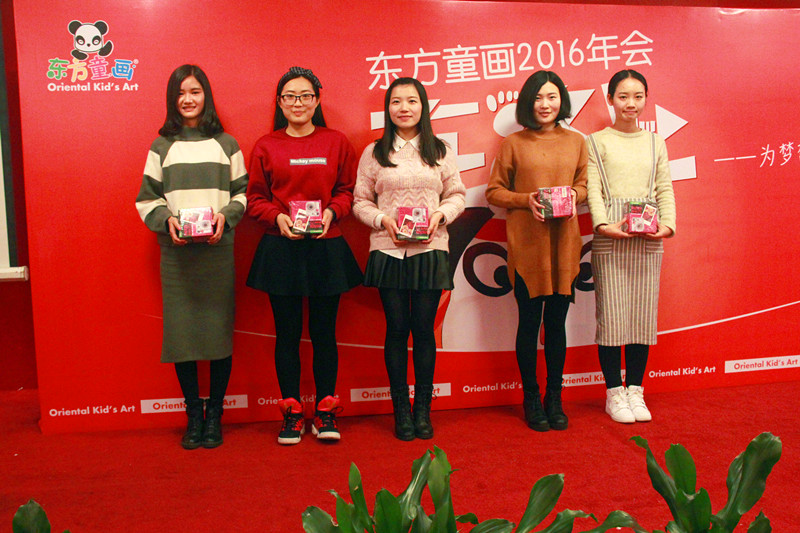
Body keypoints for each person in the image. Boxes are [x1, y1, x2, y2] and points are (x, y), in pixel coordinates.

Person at [246, 67, 362, 445]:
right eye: (290, 96)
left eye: (305, 96)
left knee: (325, 333)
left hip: (326, 246)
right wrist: (277, 218)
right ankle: (292, 413)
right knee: (287, 334)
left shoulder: (336, 141)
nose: (298, 103)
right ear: (280, 102)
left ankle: (325, 411)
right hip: (281, 249)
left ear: (317, 100)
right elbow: (254, 198)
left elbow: (347, 191)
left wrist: (332, 213)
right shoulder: (266, 145)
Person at [135, 64, 248, 449]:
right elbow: (147, 199)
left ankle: (215, 415)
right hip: (177, 256)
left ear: (206, 96)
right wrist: (165, 221)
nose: (188, 99)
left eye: (195, 91)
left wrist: (225, 217)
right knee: (182, 337)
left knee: (218, 335)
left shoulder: (227, 144)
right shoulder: (161, 146)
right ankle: (193, 416)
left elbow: (242, 194)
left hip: (217, 252)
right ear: (172, 99)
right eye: (181, 93)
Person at [353, 77, 466, 441]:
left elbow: (457, 195)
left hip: (430, 250)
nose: (404, 108)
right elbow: (360, 201)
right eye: (396, 101)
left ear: (423, 107)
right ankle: (401, 409)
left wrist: (440, 216)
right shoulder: (374, 152)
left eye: (412, 101)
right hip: (388, 250)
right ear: (388, 109)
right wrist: (382, 220)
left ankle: (422, 410)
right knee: (397, 329)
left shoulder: (440, 150)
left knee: (424, 330)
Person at [485, 70, 587, 432]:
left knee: (556, 324)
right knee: (528, 324)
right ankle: (531, 397)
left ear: (562, 101)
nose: (545, 104)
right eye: (538, 97)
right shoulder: (513, 143)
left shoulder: (576, 141)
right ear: (528, 102)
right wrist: (525, 200)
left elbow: (585, 184)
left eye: (552, 97)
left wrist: (575, 194)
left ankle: (554, 397)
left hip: (564, 245)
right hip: (527, 247)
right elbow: (494, 192)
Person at [586, 69, 676, 424]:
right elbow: (593, 189)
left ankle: (636, 390)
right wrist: (602, 225)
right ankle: (613, 393)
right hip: (611, 235)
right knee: (611, 317)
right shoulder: (596, 142)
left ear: (646, 99)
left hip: (648, 237)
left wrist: (667, 226)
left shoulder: (656, 142)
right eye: (623, 96)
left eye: (638, 96)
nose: (631, 104)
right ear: (610, 99)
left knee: (641, 316)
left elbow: (664, 187)